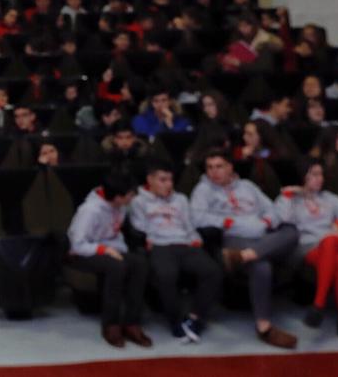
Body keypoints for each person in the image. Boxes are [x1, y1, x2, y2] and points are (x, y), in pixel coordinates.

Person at [190, 149, 298, 349]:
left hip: (262, 236)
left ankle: (244, 256)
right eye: (210, 167)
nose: (214, 172)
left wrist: (267, 220)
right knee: (261, 265)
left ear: (230, 167)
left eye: (219, 166)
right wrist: (229, 222)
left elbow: (271, 208)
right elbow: (197, 218)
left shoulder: (248, 186)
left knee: (291, 231)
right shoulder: (203, 190)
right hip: (235, 238)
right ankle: (264, 326)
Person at [274, 158, 338, 345]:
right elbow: (281, 218)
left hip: (334, 244)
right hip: (309, 248)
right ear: (303, 177)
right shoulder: (291, 199)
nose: (320, 179)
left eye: (321, 174)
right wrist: (288, 195)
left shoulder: (328, 198)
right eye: (314, 175)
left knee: (332, 241)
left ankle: (319, 303)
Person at [129, 160, 221, 343]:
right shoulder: (138, 201)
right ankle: (175, 320)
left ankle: (195, 318)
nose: (168, 184)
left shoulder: (181, 199)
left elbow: (189, 224)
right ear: (150, 180)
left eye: (170, 180)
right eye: (162, 180)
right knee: (167, 275)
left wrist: (196, 239)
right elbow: (139, 227)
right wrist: (147, 240)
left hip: (184, 243)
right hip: (159, 245)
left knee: (213, 271)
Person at [66, 167, 152, 349]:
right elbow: (77, 244)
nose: (133, 198)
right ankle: (111, 324)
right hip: (84, 253)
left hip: (111, 248)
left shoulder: (120, 206)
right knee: (116, 267)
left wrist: (117, 250)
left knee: (139, 263)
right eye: (129, 195)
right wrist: (103, 249)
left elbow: (115, 233)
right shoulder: (90, 210)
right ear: (118, 197)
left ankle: (131, 322)